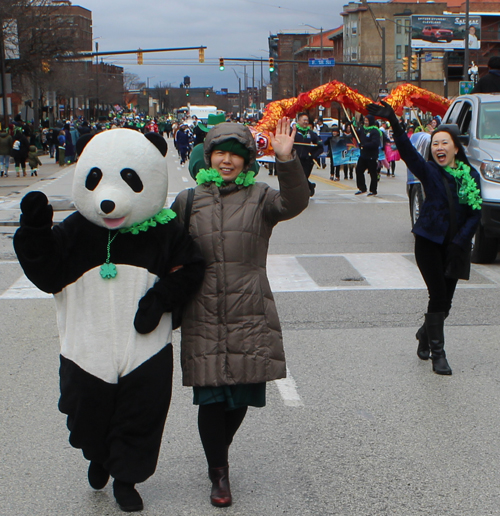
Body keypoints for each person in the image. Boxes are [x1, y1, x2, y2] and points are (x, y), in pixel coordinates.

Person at [171, 118, 309, 508]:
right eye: (220, 152)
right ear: (208, 156)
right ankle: (219, 471)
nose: (226, 160)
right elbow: (167, 249)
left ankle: (218, 452)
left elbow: (296, 202)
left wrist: (287, 160)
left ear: (247, 159)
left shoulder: (262, 197)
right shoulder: (188, 200)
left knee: (244, 394)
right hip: (203, 309)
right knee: (211, 396)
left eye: (235, 153)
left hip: (249, 307)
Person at [368, 101, 482, 375]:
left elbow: (475, 214)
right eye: (435, 144)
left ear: (456, 148)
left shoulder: (471, 176)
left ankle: (424, 334)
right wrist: (394, 122)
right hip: (429, 243)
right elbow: (408, 153)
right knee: (438, 295)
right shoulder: (430, 172)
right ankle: (438, 355)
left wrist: (460, 241)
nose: (439, 148)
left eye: (444, 143)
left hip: (455, 247)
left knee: (445, 305)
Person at [293, 112, 323, 196]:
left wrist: (314, 155)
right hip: (296, 159)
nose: (306, 122)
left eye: (307, 120)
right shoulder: (293, 132)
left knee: (303, 177)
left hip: (307, 160)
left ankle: (305, 191)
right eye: (304, 120)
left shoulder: (311, 133)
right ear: (298, 121)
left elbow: (320, 146)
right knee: (298, 177)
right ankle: (309, 186)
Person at [354, 114, 382, 196]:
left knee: (373, 173)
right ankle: (362, 188)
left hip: (372, 156)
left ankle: (373, 190)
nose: (365, 122)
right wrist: (351, 126)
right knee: (359, 170)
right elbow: (356, 134)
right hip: (363, 155)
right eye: (365, 120)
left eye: (367, 120)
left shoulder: (375, 131)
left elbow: (375, 143)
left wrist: (364, 145)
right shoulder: (362, 129)